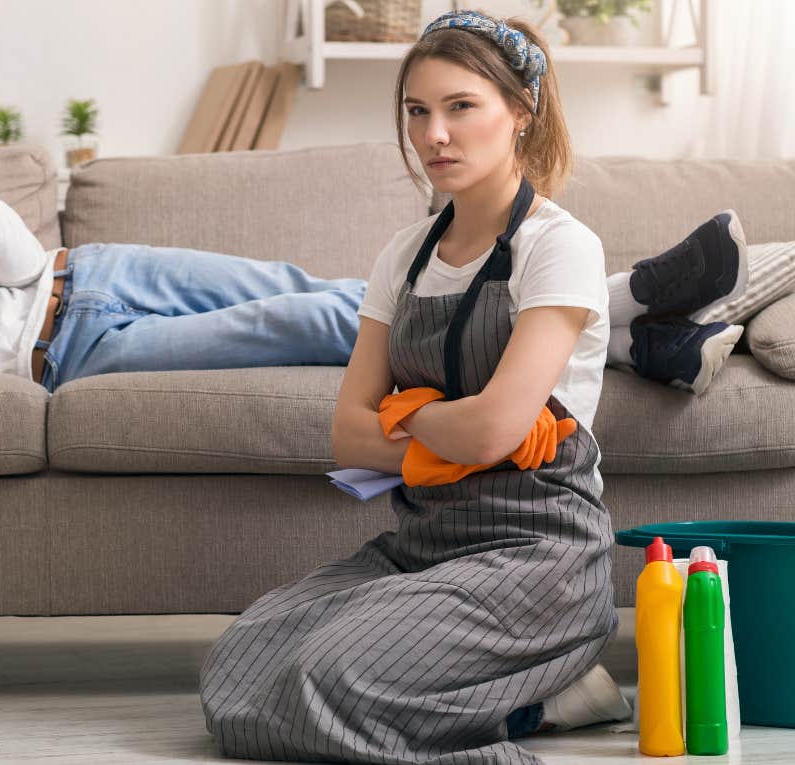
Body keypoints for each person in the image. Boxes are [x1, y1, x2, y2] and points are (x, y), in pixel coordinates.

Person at [197, 11, 748, 764]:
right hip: (421, 547)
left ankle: (521, 712)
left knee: (324, 676)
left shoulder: (558, 247)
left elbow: (483, 431)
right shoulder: (404, 256)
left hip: (536, 559)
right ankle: (541, 702)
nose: (434, 135)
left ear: (520, 114)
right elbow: (347, 434)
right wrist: (454, 423)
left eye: (460, 107)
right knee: (239, 667)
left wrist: (407, 410)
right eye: (418, 112)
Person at [0, 93, 747, 398]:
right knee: (338, 323)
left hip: (79, 276)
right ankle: (637, 306)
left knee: (322, 285)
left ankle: (642, 327)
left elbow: (4, 265)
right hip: (69, 355)